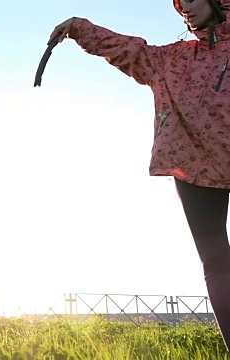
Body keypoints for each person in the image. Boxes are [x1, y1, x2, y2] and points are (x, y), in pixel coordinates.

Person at [48, 0, 230, 351]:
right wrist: (78, 27)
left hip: (204, 161)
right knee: (217, 262)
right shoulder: (172, 58)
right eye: (181, 3)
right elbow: (129, 49)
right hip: (192, 167)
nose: (186, 9)